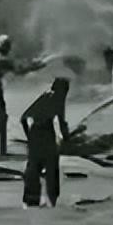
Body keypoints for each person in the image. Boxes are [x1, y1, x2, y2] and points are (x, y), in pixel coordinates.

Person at [0, 35, 45, 156]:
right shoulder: (2, 60)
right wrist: (36, 66)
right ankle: (2, 153)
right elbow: (19, 70)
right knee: (2, 124)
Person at [20, 77, 72, 208]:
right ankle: (52, 200)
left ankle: (31, 200)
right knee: (52, 169)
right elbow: (61, 122)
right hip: (47, 135)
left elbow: (23, 118)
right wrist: (67, 140)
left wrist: (29, 137)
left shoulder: (44, 97)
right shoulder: (58, 100)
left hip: (34, 135)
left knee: (33, 167)